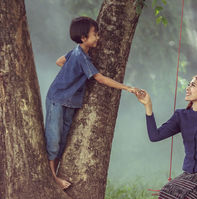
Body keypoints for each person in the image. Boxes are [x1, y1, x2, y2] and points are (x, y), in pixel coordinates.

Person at [45, 17, 140, 189]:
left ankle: (55, 173)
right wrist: (127, 88)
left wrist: (72, 75)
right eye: (95, 34)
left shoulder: (78, 53)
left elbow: (60, 61)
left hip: (70, 101)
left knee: (63, 138)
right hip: (57, 99)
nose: (98, 38)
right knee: (54, 138)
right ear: (83, 38)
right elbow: (100, 79)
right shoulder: (81, 56)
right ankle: (52, 177)